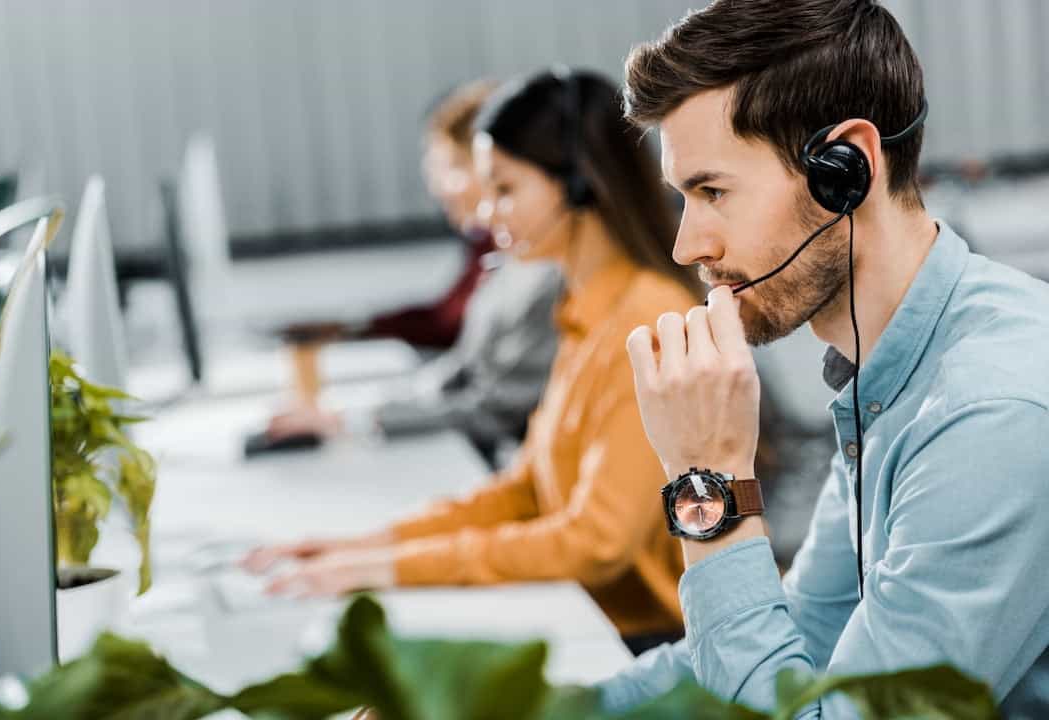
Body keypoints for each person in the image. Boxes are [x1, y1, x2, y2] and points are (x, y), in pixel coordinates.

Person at [598, 0, 1049, 716]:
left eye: (713, 191)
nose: (688, 247)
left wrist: (708, 484)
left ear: (848, 168)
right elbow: (804, 637)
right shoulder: (890, 378)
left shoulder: (993, 415)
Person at [244, 69, 710, 654]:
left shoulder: (646, 319)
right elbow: (524, 492)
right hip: (580, 615)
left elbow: (598, 540)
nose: (486, 213)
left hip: (641, 643)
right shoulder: (585, 308)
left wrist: (389, 568)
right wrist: (368, 548)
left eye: (506, 189)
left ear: (578, 186)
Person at [254, 80, 563, 464]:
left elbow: (492, 402)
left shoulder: (548, 274)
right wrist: (352, 411)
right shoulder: (511, 262)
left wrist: (350, 415)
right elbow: (462, 366)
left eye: (450, 167)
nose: (438, 185)